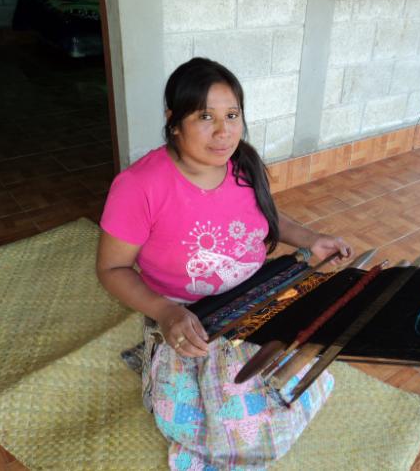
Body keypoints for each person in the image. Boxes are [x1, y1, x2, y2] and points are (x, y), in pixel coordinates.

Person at [96, 57, 354, 470]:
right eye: (205, 117)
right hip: (193, 318)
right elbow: (112, 269)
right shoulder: (138, 187)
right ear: (173, 121)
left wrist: (310, 240)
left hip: (258, 299)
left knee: (301, 374)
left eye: (232, 115)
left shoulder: (243, 165)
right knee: (232, 429)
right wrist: (166, 313)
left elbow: (266, 215)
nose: (223, 131)